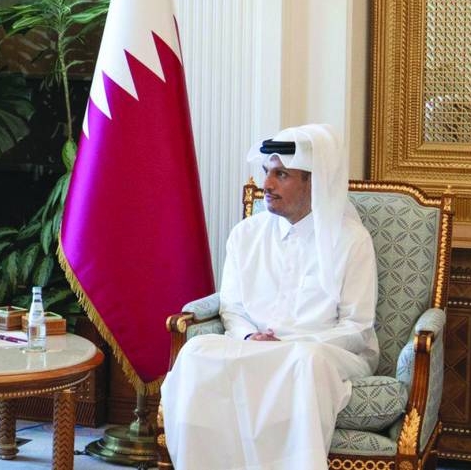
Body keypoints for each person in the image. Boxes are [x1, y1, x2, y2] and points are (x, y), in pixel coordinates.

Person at [160, 124, 378, 470]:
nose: (267, 185)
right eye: (266, 172)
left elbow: (357, 325)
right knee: (196, 352)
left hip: (323, 350)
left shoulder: (351, 240)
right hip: (252, 344)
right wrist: (250, 336)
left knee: (304, 362)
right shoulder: (245, 234)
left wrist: (289, 342)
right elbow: (231, 306)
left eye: (281, 174)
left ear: (313, 182)